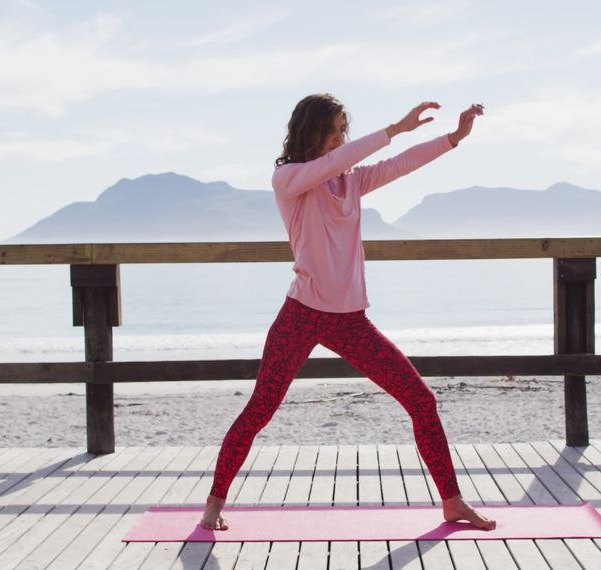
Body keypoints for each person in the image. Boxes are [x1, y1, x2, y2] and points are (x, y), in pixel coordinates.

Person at [200, 94, 494, 531]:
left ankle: (452, 503)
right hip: (302, 314)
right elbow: (344, 160)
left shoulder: (350, 182)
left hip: (350, 320)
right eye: (335, 128)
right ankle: (213, 505)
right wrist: (394, 129)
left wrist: (453, 138)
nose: (342, 136)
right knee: (261, 408)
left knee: (421, 401)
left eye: (344, 129)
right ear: (312, 131)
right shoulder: (290, 179)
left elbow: (401, 165)